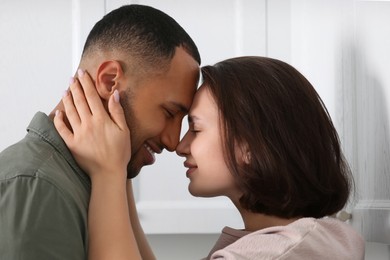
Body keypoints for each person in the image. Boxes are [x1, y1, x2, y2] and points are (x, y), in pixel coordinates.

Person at [54, 56, 365, 259]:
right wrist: (120, 166)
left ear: (250, 146)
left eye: (196, 128)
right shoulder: (319, 237)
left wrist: (106, 172)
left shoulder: (275, 254)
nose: (180, 145)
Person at [0, 4, 200, 260]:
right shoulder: (37, 187)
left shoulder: (101, 180)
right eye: (170, 113)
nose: (174, 142)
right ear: (109, 81)